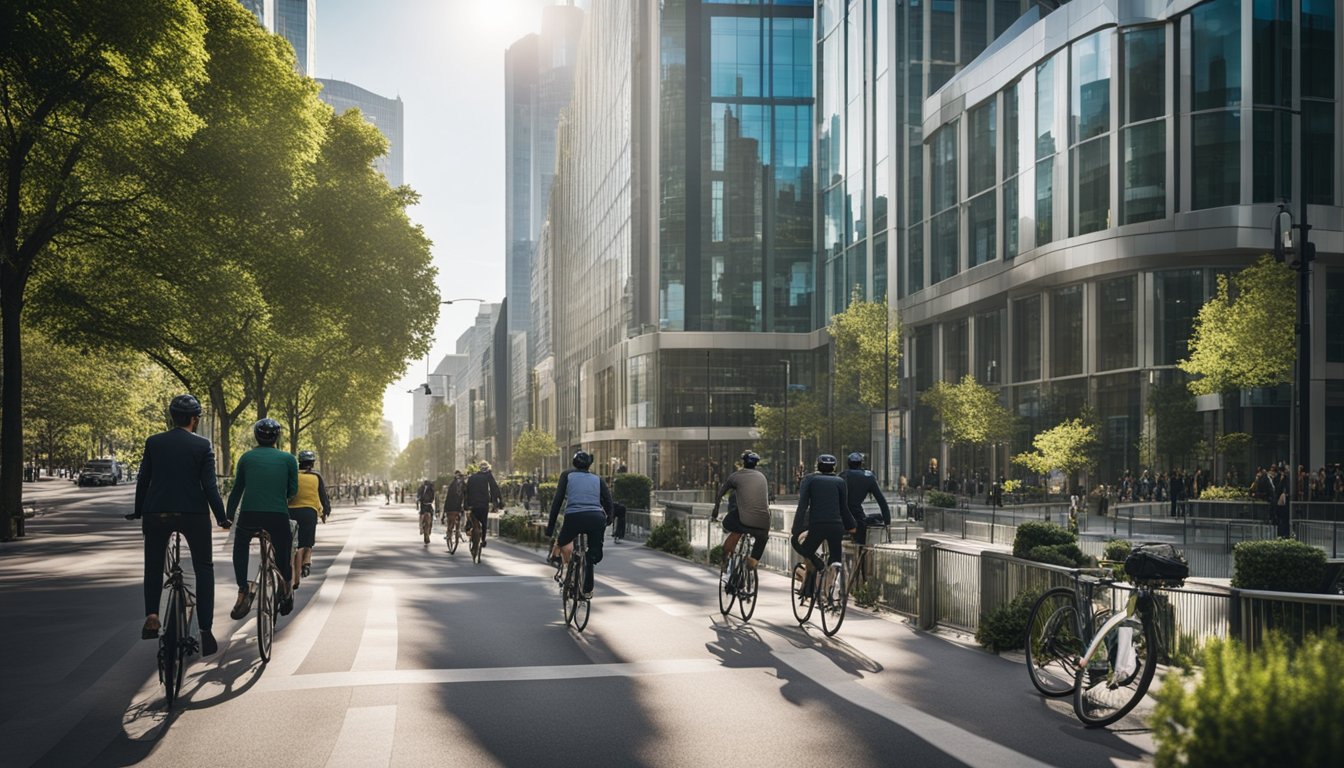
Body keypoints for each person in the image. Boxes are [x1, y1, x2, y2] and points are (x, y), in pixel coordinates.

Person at [131, 394, 231, 655]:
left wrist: (139, 509)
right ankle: (206, 628)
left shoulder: (154, 442)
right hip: (193, 514)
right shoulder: (202, 445)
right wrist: (221, 517)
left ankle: (152, 614)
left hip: (157, 512)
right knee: (203, 568)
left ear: (172, 417)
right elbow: (210, 486)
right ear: (195, 419)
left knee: (153, 565)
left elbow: (144, 479)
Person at [227, 418, 299, 620]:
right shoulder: (289, 459)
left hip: (250, 515)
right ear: (277, 437)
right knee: (284, 547)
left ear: (255, 436)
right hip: (277, 515)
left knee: (240, 544)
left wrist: (228, 516)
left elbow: (237, 490)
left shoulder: (246, 458)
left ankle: (243, 589)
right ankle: (285, 586)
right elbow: (293, 491)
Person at [546, 450, 612, 598]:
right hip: (596, 518)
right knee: (593, 555)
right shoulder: (597, 479)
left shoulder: (567, 475)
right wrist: (609, 518)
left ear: (574, 463)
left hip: (574, 518)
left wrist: (550, 528)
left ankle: (558, 562)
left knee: (562, 541)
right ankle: (586, 591)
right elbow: (608, 500)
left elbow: (557, 501)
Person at [791, 454, 855, 597]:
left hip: (817, 526)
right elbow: (844, 507)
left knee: (801, 546)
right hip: (836, 527)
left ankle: (819, 565)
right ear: (834, 467)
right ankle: (831, 593)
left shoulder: (810, 479)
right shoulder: (840, 481)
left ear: (818, 466)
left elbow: (802, 506)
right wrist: (852, 526)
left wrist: (796, 528)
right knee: (835, 558)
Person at [710, 451, 771, 571]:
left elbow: (720, 493)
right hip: (763, 522)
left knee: (730, 523)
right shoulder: (762, 477)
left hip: (744, 520)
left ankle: (725, 560)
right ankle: (753, 561)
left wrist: (715, 511)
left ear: (743, 463)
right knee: (762, 537)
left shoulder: (735, 476)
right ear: (756, 464)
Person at [287, 449, 330, 587]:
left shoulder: (293, 475)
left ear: (300, 462)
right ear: (312, 463)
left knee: (294, 541)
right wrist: (326, 512)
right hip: (310, 512)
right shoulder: (316, 477)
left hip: (291, 511)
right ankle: (306, 561)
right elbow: (323, 496)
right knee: (308, 541)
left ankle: (294, 571)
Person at [839, 452, 891, 547]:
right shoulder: (869, 477)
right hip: (857, 517)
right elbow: (882, 502)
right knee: (861, 546)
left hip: (840, 516)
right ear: (861, 464)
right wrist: (887, 522)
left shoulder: (842, 476)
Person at [465, 461, 504, 549]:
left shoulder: (472, 477)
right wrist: (499, 502)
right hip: (483, 505)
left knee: (472, 518)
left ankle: (468, 528)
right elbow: (495, 488)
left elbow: (466, 491)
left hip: (473, 504)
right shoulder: (488, 477)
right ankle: (483, 540)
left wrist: (466, 504)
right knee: (484, 523)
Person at [416, 478, 436, 545]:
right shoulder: (430, 489)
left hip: (424, 506)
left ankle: (422, 529)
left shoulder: (421, 488)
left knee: (422, 517)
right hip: (427, 506)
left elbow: (418, 497)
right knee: (430, 518)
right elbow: (433, 498)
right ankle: (425, 530)